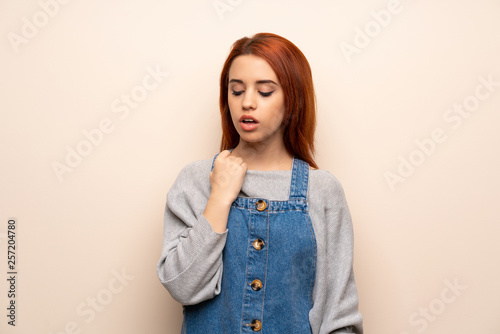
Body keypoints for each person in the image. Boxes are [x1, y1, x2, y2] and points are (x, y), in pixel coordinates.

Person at [156, 32, 363, 333]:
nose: (247, 103)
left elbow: (339, 314)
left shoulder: (322, 191)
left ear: (293, 99)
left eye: (265, 92)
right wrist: (219, 198)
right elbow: (182, 286)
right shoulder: (197, 180)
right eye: (236, 91)